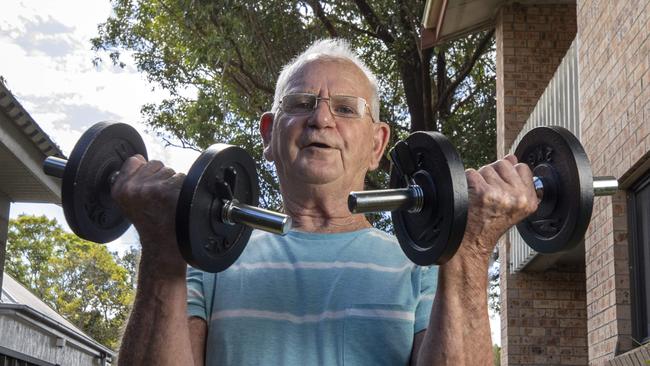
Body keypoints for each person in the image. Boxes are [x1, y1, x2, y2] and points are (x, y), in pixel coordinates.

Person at [113, 39, 538, 365]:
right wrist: (161, 250)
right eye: (300, 104)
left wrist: (469, 251)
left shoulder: (422, 267)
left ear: (377, 144)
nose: (321, 119)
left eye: (346, 108)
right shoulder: (209, 261)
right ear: (268, 135)